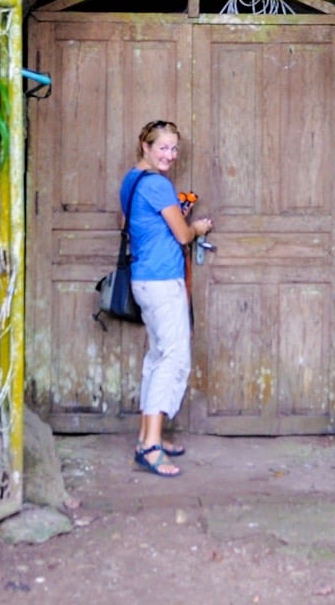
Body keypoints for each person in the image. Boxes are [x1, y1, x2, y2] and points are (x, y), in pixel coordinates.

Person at [121, 120, 213, 478]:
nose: (170, 155)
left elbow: (139, 224)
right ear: (145, 146)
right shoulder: (158, 185)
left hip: (144, 278)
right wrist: (198, 228)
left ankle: (148, 435)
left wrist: (175, 216)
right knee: (172, 358)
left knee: (157, 356)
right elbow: (184, 235)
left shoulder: (132, 180)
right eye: (163, 147)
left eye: (174, 149)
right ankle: (151, 447)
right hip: (162, 281)